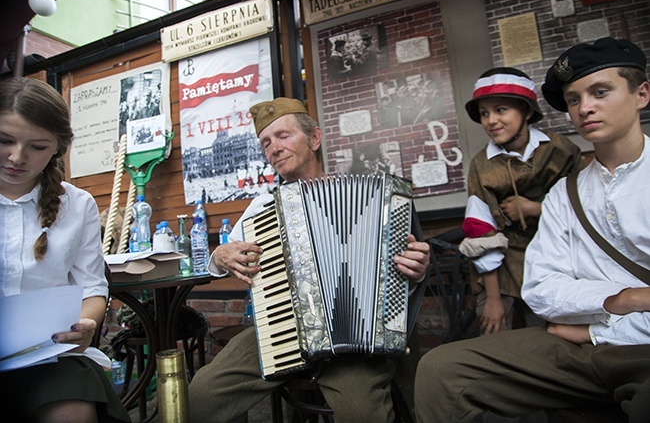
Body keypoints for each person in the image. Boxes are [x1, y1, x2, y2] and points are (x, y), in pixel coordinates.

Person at [415, 37, 650, 422]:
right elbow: (539, 287)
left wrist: (594, 327)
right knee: (444, 368)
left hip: (612, 337)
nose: (585, 107)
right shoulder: (560, 192)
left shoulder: (560, 151)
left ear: (641, 94)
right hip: (525, 280)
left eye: (601, 92)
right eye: (574, 99)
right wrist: (628, 299)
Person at [189, 97, 431, 423]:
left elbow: (403, 276)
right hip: (281, 326)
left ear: (314, 139)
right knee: (201, 394)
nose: (274, 148)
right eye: (266, 142)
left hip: (356, 341)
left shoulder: (377, 201)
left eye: (284, 135)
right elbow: (222, 260)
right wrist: (221, 254)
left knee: (363, 414)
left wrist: (415, 271)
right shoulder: (262, 209)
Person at [0, 78, 131, 423]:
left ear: (58, 148)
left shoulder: (77, 205)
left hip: (49, 356)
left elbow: (92, 285)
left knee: (72, 405)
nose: (17, 157)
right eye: (3, 140)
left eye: (37, 147)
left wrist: (87, 323)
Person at [459, 67, 584, 334]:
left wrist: (535, 209)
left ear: (526, 111)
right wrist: (493, 299)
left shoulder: (561, 150)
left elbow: (585, 208)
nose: (491, 120)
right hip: (501, 264)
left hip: (558, 257)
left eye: (501, 109)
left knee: (553, 334)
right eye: (484, 113)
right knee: (494, 331)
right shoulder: (481, 166)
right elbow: (481, 232)